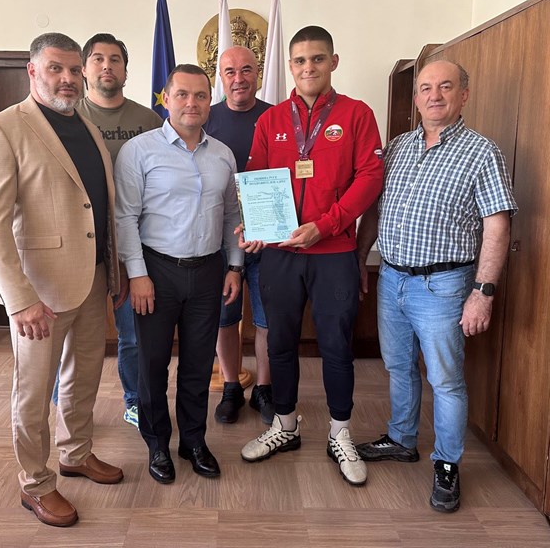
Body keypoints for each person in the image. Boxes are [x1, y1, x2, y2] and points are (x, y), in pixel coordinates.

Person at [0, 32, 124, 527]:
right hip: (39, 291)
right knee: (34, 391)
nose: (68, 78)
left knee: (84, 375)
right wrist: (19, 300)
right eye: (56, 68)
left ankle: (75, 453)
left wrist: (114, 270)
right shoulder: (2, 128)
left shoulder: (86, 126)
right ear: (32, 71)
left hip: (92, 278)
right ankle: (35, 483)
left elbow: (96, 206)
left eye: (74, 70)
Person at [356, 60, 517, 512]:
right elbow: (375, 209)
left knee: (445, 380)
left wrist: (483, 292)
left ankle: (447, 463)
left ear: (464, 95)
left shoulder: (482, 152)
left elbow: (497, 225)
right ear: (416, 98)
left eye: (445, 87)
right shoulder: (398, 147)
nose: (434, 95)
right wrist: (359, 257)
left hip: (443, 285)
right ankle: (402, 438)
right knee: (398, 366)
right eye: (426, 88)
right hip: (392, 278)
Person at [239, 26, 384, 487]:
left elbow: (370, 177)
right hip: (280, 254)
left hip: (333, 252)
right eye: (299, 61)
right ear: (289, 66)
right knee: (280, 341)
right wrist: (255, 226)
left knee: (337, 346)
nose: (308, 68)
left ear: (333, 62)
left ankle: (340, 433)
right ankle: (285, 425)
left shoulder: (357, 114)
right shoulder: (271, 120)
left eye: (317, 59)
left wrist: (327, 224)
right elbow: (256, 177)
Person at [114, 64, 243, 484]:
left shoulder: (223, 154)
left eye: (201, 95)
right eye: (182, 94)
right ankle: (157, 444)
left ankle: (193, 441)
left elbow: (232, 216)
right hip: (156, 272)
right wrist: (137, 274)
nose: (192, 103)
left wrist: (235, 266)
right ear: (166, 99)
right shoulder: (139, 151)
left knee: (198, 364)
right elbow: (125, 217)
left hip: (208, 272)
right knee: (152, 365)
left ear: (210, 101)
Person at [51, 33, 163, 429]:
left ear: (126, 71)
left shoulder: (149, 121)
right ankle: (63, 404)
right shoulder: (66, 117)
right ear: (84, 70)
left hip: (131, 245)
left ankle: (133, 400)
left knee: (132, 334)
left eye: (115, 59)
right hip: (78, 246)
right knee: (69, 335)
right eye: (98, 59)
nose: (107, 66)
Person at [204, 46, 274, 425]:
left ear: (257, 73)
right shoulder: (206, 118)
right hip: (219, 241)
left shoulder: (277, 117)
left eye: (246, 70)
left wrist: (267, 226)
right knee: (224, 319)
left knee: (266, 320)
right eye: (230, 71)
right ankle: (231, 386)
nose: (238, 79)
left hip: (268, 240)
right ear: (220, 76)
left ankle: (263, 388)